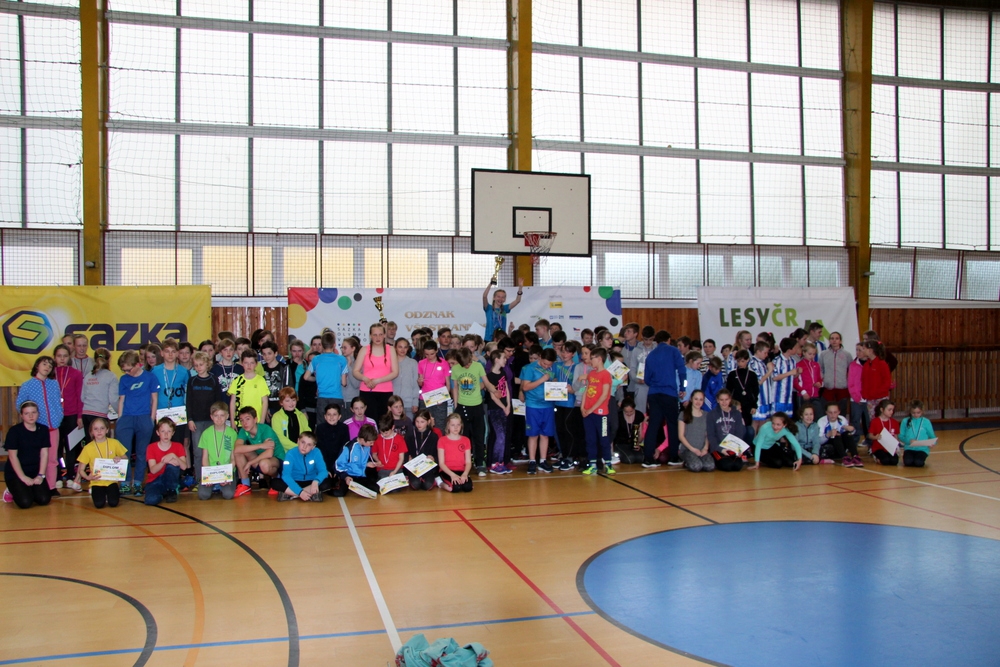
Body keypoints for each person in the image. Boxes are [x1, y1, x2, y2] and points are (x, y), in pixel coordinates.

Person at [16, 355, 63, 497]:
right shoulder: (27, 385)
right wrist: (30, 421)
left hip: (53, 428)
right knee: (37, 458)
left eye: (50, 365)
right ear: (37, 365)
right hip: (36, 429)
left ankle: (51, 486)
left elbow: (58, 403)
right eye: (44, 364)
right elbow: (20, 404)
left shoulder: (54, 384)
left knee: (52, 459)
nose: (47, 367)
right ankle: (35, 486)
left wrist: (58, 417)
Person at [114, 351, 159, 496]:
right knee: (124, 452)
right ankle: (125, 482)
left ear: (137, 365)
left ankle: (138, 482)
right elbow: (121, 399)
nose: (126, 372)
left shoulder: (150, 377)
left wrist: (151, 418)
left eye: (128, 369)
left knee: (141, 452)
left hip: (144, 417)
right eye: (124, 370)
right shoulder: (124, 379)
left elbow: (154, 398)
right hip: (127, 417)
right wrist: (120, 419)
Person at [642, 330, 687, 468]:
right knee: (672, 425)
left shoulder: (651, 355)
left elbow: (646, 379)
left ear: (656, 341)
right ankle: (673, 457)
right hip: (669, 393)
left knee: (653, 425)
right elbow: (682, 371)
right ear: (668, 340)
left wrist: (655, 385)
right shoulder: (674, 351)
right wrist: (683, 387)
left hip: (654, 394)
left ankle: (648, 459)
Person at [451, 346, 496, 477]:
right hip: (462, 406)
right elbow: (455, 388)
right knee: (463, 437)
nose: (467, 366)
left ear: (471, 358)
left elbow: (486, 382)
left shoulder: (478, 366)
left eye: (468, 363)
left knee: (479, 436)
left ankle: (480, 463)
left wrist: (494, 390)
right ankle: (463, 463)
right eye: (464, 364)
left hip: (477, 406)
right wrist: (456, 405)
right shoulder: (455, 369)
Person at [186, 351, 226, 485]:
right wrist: (189, 419)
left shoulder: (213, 380)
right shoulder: (192, 381)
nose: (199, 367)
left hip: (211, 421)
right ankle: (200, 479)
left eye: (201, 364)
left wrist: (218, 419)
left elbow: (218, 401)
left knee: (213, 450)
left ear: (207, 364)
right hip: (196, 421)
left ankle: (215, 477)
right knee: (198, 452)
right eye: (196, 365)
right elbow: (189, 402)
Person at [3, 402, 53, 508]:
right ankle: (11, 489)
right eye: (26, 413)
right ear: (21, 415)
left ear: (38, 413)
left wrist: (40, 475)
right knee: (25, 502)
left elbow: (44, 453)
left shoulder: (43, 429)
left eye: (33, 412)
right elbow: (12, 456)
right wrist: (23, 477)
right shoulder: (14, 431)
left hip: (34, 471)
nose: (31, 416)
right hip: (16, 472)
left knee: (44, 499)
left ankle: (28, 489)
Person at [73, 417, 127, 507]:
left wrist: (120, 458)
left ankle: (109, 494)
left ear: (107, 430)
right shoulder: (88, 448)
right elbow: (81, 470)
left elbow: (125, 458)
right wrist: (87, 477)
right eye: (96, 429)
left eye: (102, 428)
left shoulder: (115, 443)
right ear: (91, 432)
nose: (99, 431)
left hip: (111, 481)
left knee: (113, 503)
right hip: (96, 481)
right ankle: (97, 491)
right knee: (99, 504)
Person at [520, 347, 557, 474]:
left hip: (548, 405)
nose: (546, 366)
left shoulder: (553, 368)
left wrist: (555, 383)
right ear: (540, 357)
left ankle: (542, 460)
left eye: (549, 365)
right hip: (533, 405)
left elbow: (554, 380)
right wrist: (542, 379)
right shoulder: (530, 368)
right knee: (533, 434)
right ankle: (532, 461)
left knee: (545, 434)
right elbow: (525, 387)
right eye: (544, 363)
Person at [51, 344, 84, 487]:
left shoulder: (76, 374)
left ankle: (70, 475)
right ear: (54, 357)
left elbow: (80, 396)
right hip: (55, 416)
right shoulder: (50, 374)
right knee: (56, 447)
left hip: (71, 414)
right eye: (59, 356)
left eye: (65, 356)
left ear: (69, 357)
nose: (62, 359)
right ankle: (58, 475)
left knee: (71, 447)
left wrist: (79, 416)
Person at [353, 323, 399, 421]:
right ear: (370, 335)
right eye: (375, 335)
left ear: (384, 335)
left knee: (384, 421)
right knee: (369, 421)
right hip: (367, 391)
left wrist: (378, 381)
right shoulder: (364, 350)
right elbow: (355, 371)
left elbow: (395, 372)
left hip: (385, 391)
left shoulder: (391, 349)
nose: (378, 338)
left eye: (380, 334)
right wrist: (365, 378)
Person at [581, 347, 615, 475]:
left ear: (599, 359)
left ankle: (608, 464)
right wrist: (583, 407)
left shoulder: (605, 374)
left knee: (604, 439)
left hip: (601, 414)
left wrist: (591, 409)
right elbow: (587, 390)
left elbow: (604, 395)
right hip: (588, 413)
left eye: (592, 358)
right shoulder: (591, 374)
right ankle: (592, 464)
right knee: (590, 439)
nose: (590, 361)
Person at [233, 406, 281, 496]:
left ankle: (277, 479)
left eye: (247, 419)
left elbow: (269, 453)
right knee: (239, 452)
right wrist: (261, 445)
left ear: (255, 420)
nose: (244, 423)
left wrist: (250, 462)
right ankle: (245, 484)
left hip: (277, 460)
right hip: (260, 458)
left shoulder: (265, 429)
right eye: (242, 420)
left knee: (264, 464)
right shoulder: (243, 431)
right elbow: (237, 449)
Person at [151, 339, 190, 446]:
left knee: (177, 445)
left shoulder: (184, 371)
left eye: (173, 351)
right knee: (160, 445)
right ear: (162, 353)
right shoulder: (155, 371)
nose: (170, 354)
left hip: (179, 413)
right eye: (167, 351)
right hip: (160, 412)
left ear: (177, 353)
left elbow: (188, 393)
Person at [196, 402, 238, 500]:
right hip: (211, 470)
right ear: (211, 417)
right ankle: (215, 485)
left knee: (228, 495)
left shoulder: (232, 433)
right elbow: (205, 458)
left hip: (226, 470)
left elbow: (233, 458)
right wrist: (208, 475)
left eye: (222, 415)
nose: (219, 419)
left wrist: (227, 475)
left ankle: (219, 486)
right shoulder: (206, 433)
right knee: (203, 495)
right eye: (216, 416)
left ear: (227, 416)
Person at [274, 431, 331, 501]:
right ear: (298, 441)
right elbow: (286, 475)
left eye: (309, 445)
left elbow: (323, 471)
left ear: (313, 447)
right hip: (294, 481)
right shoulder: (290, 454)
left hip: (311, 482)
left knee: (328, 481)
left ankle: (291, 494)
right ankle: (308, 494)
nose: (304, 447)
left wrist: (316, 481)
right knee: (275, 482)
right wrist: (300, 492)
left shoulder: (316, 452)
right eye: (303, 442)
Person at [80, 347, 119, 447]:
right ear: (109, 360)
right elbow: (113, 399)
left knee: (90, 445)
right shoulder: (111, 376)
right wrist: (120, 412)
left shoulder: (88, 376)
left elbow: (82, 397)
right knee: (103, 445)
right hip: (100, 414)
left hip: (86, 414)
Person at [143, 418, 185, 505]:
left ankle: (171, 489)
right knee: (150, 500)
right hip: (155, 480)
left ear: (173, 433)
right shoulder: (151, 447)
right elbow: (153, 470)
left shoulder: (178, 446)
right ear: (158, 433)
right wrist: (164, 461)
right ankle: (163, 493)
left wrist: (174, 456)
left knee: (172, 465)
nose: (166, 434)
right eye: (163, 431)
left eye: (169, 431)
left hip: (169, 478)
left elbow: (184, 466)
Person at [306, 332, 349, 417]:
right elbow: (344, 383)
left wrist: (317, 378)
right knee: (337, 422)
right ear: (334, 344)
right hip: (337, 397)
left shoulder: (316, 359)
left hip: (322, 397)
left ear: (322, 345)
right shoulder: (341, 359)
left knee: (322, 423)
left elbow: (306, 377)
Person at [485, 349, 513, 474]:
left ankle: (501, 463)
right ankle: (494, 463)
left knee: (503, 436)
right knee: (499, 436)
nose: (505, 360)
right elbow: (493, 396)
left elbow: (506, 390)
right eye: (503, 358)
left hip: (504, 408)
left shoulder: (503, 373)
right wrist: (503, 407)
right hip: (495, 409)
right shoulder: (490, 377)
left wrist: (508, 405)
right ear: (496, 359)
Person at [706, 389, 749, 472]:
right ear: (717, 400)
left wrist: (738, 449)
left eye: (726, 399)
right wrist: (721, 449)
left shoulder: (736, 413)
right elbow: (711, 435)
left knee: (737, 466)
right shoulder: (711, 414)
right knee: (727, 465)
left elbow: (739, 433)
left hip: (733, 448)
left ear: (730, 399)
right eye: (721, 400)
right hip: (718, 448)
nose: (724, 402)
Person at [332, 424, 380, 496]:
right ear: (362, 440)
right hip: (348, 476)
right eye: (371, 442)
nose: (372, 444)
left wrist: (367, 464)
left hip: (360, 476)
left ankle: (354, 486)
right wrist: (345, 477)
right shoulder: (349, 447)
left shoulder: (367, 446)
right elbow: (337, 466)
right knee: (339, 493)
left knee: (375, 489)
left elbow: (359, 462)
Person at [228, 349, 270, 426]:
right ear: (242, 363)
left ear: (256, 364)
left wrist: (262, 421)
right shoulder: (237, 380)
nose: (249, 366)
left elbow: (265, 402)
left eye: (252, 363)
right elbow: (232, 402)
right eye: (246, 363)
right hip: (240, 422)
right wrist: (232, 421)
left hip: (256, 421)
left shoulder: (261, 380)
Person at [675, 390, 714, 472]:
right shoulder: (683, 414)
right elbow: (681, 436)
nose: (698, 402)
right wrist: (693, 449)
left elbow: (707, 434)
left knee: (710, 466)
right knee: (696, 466)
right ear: (691, 399)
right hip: (688, 449)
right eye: (696, 399)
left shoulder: (707, 415)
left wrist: (705, 448)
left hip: (702, 450)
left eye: (701, 399)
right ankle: (686, 462)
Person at [417, 340, 451, 430]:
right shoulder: (421, 363)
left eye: (432, 354)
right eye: (426, 354)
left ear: (436, 351)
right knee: (424, 424)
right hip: (425, 398)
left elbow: (448, 383)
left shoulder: (444, 363)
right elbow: (421, 383)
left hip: (440, 398)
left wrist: (443, 398)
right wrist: (420, 381)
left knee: (440, 425)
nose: (429, 357)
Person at [270, 387, 310, 461]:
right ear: (281, 402)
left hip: (302, 451)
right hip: (284, 453)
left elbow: (308, 433)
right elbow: (280, 438)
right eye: (287, 401)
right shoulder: (276, 417)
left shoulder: (301, 415)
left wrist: (305, 446)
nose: (291, 403)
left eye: (293, 400)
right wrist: (298, 447)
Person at [315, 403, 351, 482]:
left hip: (339, 464)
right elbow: (320, 449)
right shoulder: (320, 428)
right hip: (324, 464)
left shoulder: (344, 428)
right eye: (329, 414)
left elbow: (344, 449)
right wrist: (326, 468)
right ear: (325, 416)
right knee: (325, 484)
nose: (331, 417)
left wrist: (337, 468)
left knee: (341, 485)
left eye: (334, 414)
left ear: (339, 416)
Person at [819, 332, 853, 416]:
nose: (834, 340)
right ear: (829, 341)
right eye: (832, 338)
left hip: (842, 387)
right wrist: (823, 379)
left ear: (840, 341)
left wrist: (848, 382)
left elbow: (851, 370)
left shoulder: (847, 355)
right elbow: (820, 369)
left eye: (837, 338)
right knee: (826, 410)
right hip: (828, 387)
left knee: (842, 411)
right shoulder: (823, 354)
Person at [438, 413, 473, 492]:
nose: (456, 427)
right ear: (448, 426)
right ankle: (440, 483)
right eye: (453, 425)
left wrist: (465, 474)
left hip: (461, 470)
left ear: (461, 426)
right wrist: (452, 475)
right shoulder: (442, 440)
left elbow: (468, 462)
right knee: (455, 488)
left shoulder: (466, 440)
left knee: (468, 488)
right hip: (447, 471)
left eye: (458, 425)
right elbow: (441, 463)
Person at [817, 402, 860, 467]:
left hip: (841, 446)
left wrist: (852, 430)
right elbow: (818, 441)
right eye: (830, 412)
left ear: (839, 412)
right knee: (836, 436)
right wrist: (828, 435)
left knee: (847, 434)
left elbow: (848, 437)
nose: (833, 415)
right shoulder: (821, 421)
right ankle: (844, 457)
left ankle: (855, 456)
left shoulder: (842, 419)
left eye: (835, 412)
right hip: (829, 447)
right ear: (826, 412)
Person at [406, 410, 440, 490]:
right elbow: (405, 452)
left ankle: (432, 479)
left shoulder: (434, 436)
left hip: (428, 467)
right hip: (414, 467)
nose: (419, 424)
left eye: (422, 422)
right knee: (415, 485)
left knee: (428, 486)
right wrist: (407, 457)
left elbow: (438, 454)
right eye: (417, 421)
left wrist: (434, 458)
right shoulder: (409, 435)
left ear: (428, 422)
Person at [483, 278, 524, 342]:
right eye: (498, 296)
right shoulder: (488, 308)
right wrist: (490, 284)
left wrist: (520, 287)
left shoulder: (505, 308)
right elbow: (484, 296)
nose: (500, 299)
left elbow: (517, 301)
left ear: (505, 299)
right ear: (494, 297)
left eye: (503, 297)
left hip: (502, 339)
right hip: (489, 339)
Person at [725, 349, 759, 429]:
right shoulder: (732, 374)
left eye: (743, 361)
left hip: (748, 404)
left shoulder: (752, 375)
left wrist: (754, 406)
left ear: (747, 360)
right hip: (735, 404)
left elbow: (755, 391)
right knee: (735, 425)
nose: (740, 363)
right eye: (738, 361)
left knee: (747, 425)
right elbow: (728, 390)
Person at [259, 341, 291, 418]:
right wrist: (264, 407)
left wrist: (284, 406)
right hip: (266, 406)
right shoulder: (261, 368)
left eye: (269, 353)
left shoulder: (284, 368)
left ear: (275, 353)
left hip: (281, 406)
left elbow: (288, 388)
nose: (267, 356)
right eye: (264, 354)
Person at [861, 340, 892, 419]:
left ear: (870, 350)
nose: (863, 350)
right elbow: (863, 380)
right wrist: (864, 393)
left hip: (880, 398)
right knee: (873, 420)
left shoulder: (882, 364)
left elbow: (887, 382)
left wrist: (877, 393)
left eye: (864, 348)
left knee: (882, 418)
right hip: (870, 398)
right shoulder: (866, 364)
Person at [899, 400, 935, 468]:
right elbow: (900, 436)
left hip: (922, 449)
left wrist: (933, 443)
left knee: (918, 463)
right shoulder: (905, 421)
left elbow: (932, 436)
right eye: (913, 413)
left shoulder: (926, 422)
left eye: (918, 413)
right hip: (909, 448)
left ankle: (919, 459)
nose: (915, 415)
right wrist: (909, 441)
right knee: (908, 462)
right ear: (910, 411)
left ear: (922, 411)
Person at [373, 413, 408, 482]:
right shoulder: (378, 438)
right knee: (384, 482)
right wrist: (378, 460)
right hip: (383, 469)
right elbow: (374, 454)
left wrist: (394, 471)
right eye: (381, 432)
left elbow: (401, 458)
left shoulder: (399, 439)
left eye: (386, 432)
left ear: (392, 427)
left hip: (397, 469)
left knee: (397, 486)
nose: (383, 434)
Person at [794, 342, 824, 419]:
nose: (812, 356)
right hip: (803, 396)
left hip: (815, 395)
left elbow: (819, 379)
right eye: (810, 354)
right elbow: (795, 382)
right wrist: (803, 392)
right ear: (804, 353)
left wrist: (819, 383)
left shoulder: (816, 365)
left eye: (814, 354)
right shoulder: (798, 365)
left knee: (818, 416)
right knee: (804, 417)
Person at [392, 338, 420, 415]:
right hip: (393, 403)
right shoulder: (390, 362)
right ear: (395, 347)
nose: (402, 350)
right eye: (400, 347)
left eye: (405, 347)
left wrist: (415, 402)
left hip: (409, 404)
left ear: (408, 348)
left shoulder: (413, 363)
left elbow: (415, 384)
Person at [868, 399, 901, 466]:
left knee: (894, 461)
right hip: (878, 448)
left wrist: (896, 447)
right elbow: (870, 435)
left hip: (889, 448)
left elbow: (895, 436)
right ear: (882, 410)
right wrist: (875, 437)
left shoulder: (894, 422)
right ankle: (875, 456)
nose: (891, 412)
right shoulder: (875, 421)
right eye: (889, 410)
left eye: (892, 410)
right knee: (885, 461)